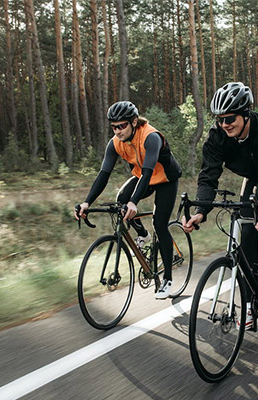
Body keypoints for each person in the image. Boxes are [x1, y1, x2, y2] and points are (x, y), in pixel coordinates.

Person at [182, 82, 258, 330]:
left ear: (246, 114)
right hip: (254, 174)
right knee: (247, 229)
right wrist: (201, 211)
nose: (225, 124)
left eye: (230, 118)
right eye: (220, 119)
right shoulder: (218, 136)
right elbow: (209, 175)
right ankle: (251, 300)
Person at [74, 101, 182, 299]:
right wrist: (87, 202)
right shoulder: (115, 142)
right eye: (113, 126)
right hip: (145, 177)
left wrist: (134, 202)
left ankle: (167, 279)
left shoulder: (151, 137)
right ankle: (143, 235)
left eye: (122, 126)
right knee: (121, 201)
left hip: (165, 179)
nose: (117, 130)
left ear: (134, 122)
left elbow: (148, 172)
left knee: (160, 223)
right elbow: (104, 174)